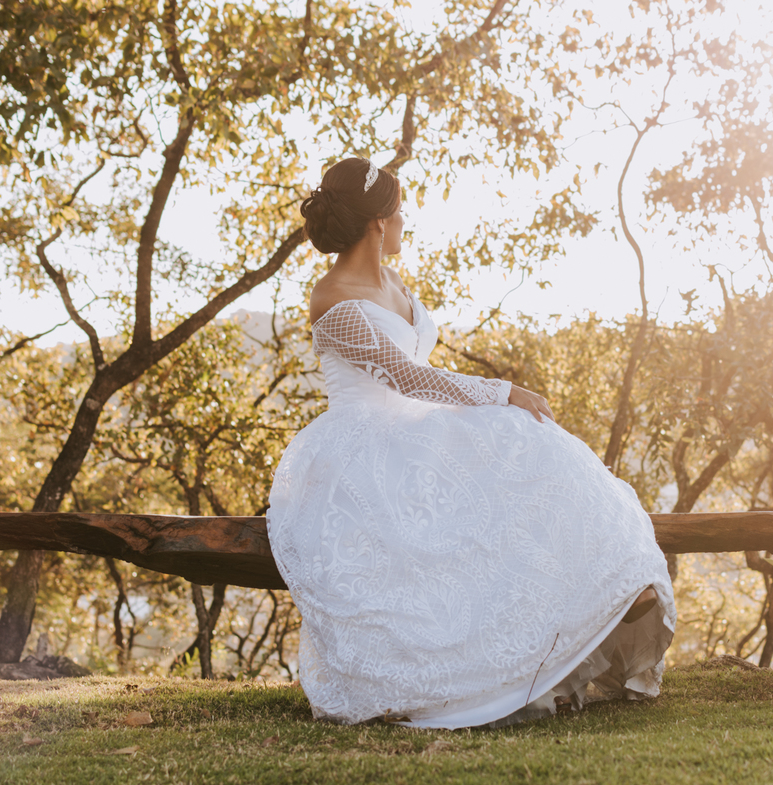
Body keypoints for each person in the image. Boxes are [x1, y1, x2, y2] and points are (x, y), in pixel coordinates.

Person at [266, 157, 675, 728]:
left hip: (416, 430)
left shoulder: (393, 281)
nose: (405, 222)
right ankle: (534, 649)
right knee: (505, 434)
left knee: (526, 444)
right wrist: (502, 390)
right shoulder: (332, 297)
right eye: (399, 212)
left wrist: (499, 403)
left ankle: (610, 591)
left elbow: (417, 375)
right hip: (364, 446)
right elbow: (404, 377)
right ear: (379, 223)